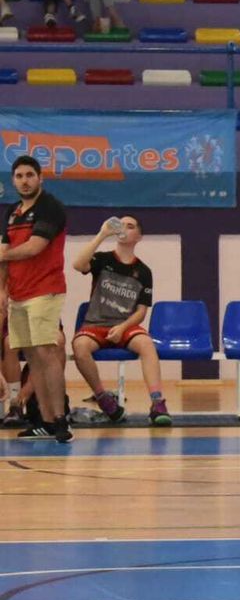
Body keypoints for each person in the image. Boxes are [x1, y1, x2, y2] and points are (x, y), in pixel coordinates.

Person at [69, 216, 171, 427]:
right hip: (95, 324)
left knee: (146, 344)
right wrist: (102, 234)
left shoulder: (143, 271)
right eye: (121, 225)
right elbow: (78, 264)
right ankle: (104, 399)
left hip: (126, 326)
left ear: (139, 237)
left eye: (130, 226)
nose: (124, 228)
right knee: (79, 347)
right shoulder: (102, 259)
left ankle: (157, 402)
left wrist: (123, 327)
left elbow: (141, 311)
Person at [1, 156, 71, 443]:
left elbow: (34, 247)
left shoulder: (50, 207)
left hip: (45, 290)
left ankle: (60, 419)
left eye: (30, 175)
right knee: (31, 356)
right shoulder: (12, 211)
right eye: (19, 176)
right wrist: (3, 291)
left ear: (40, 178)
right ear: (13, 180)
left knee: (46, 352)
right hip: (18, 293)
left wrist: (1, 254)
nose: (25, 180)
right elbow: (5, 252)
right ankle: (43, 419)